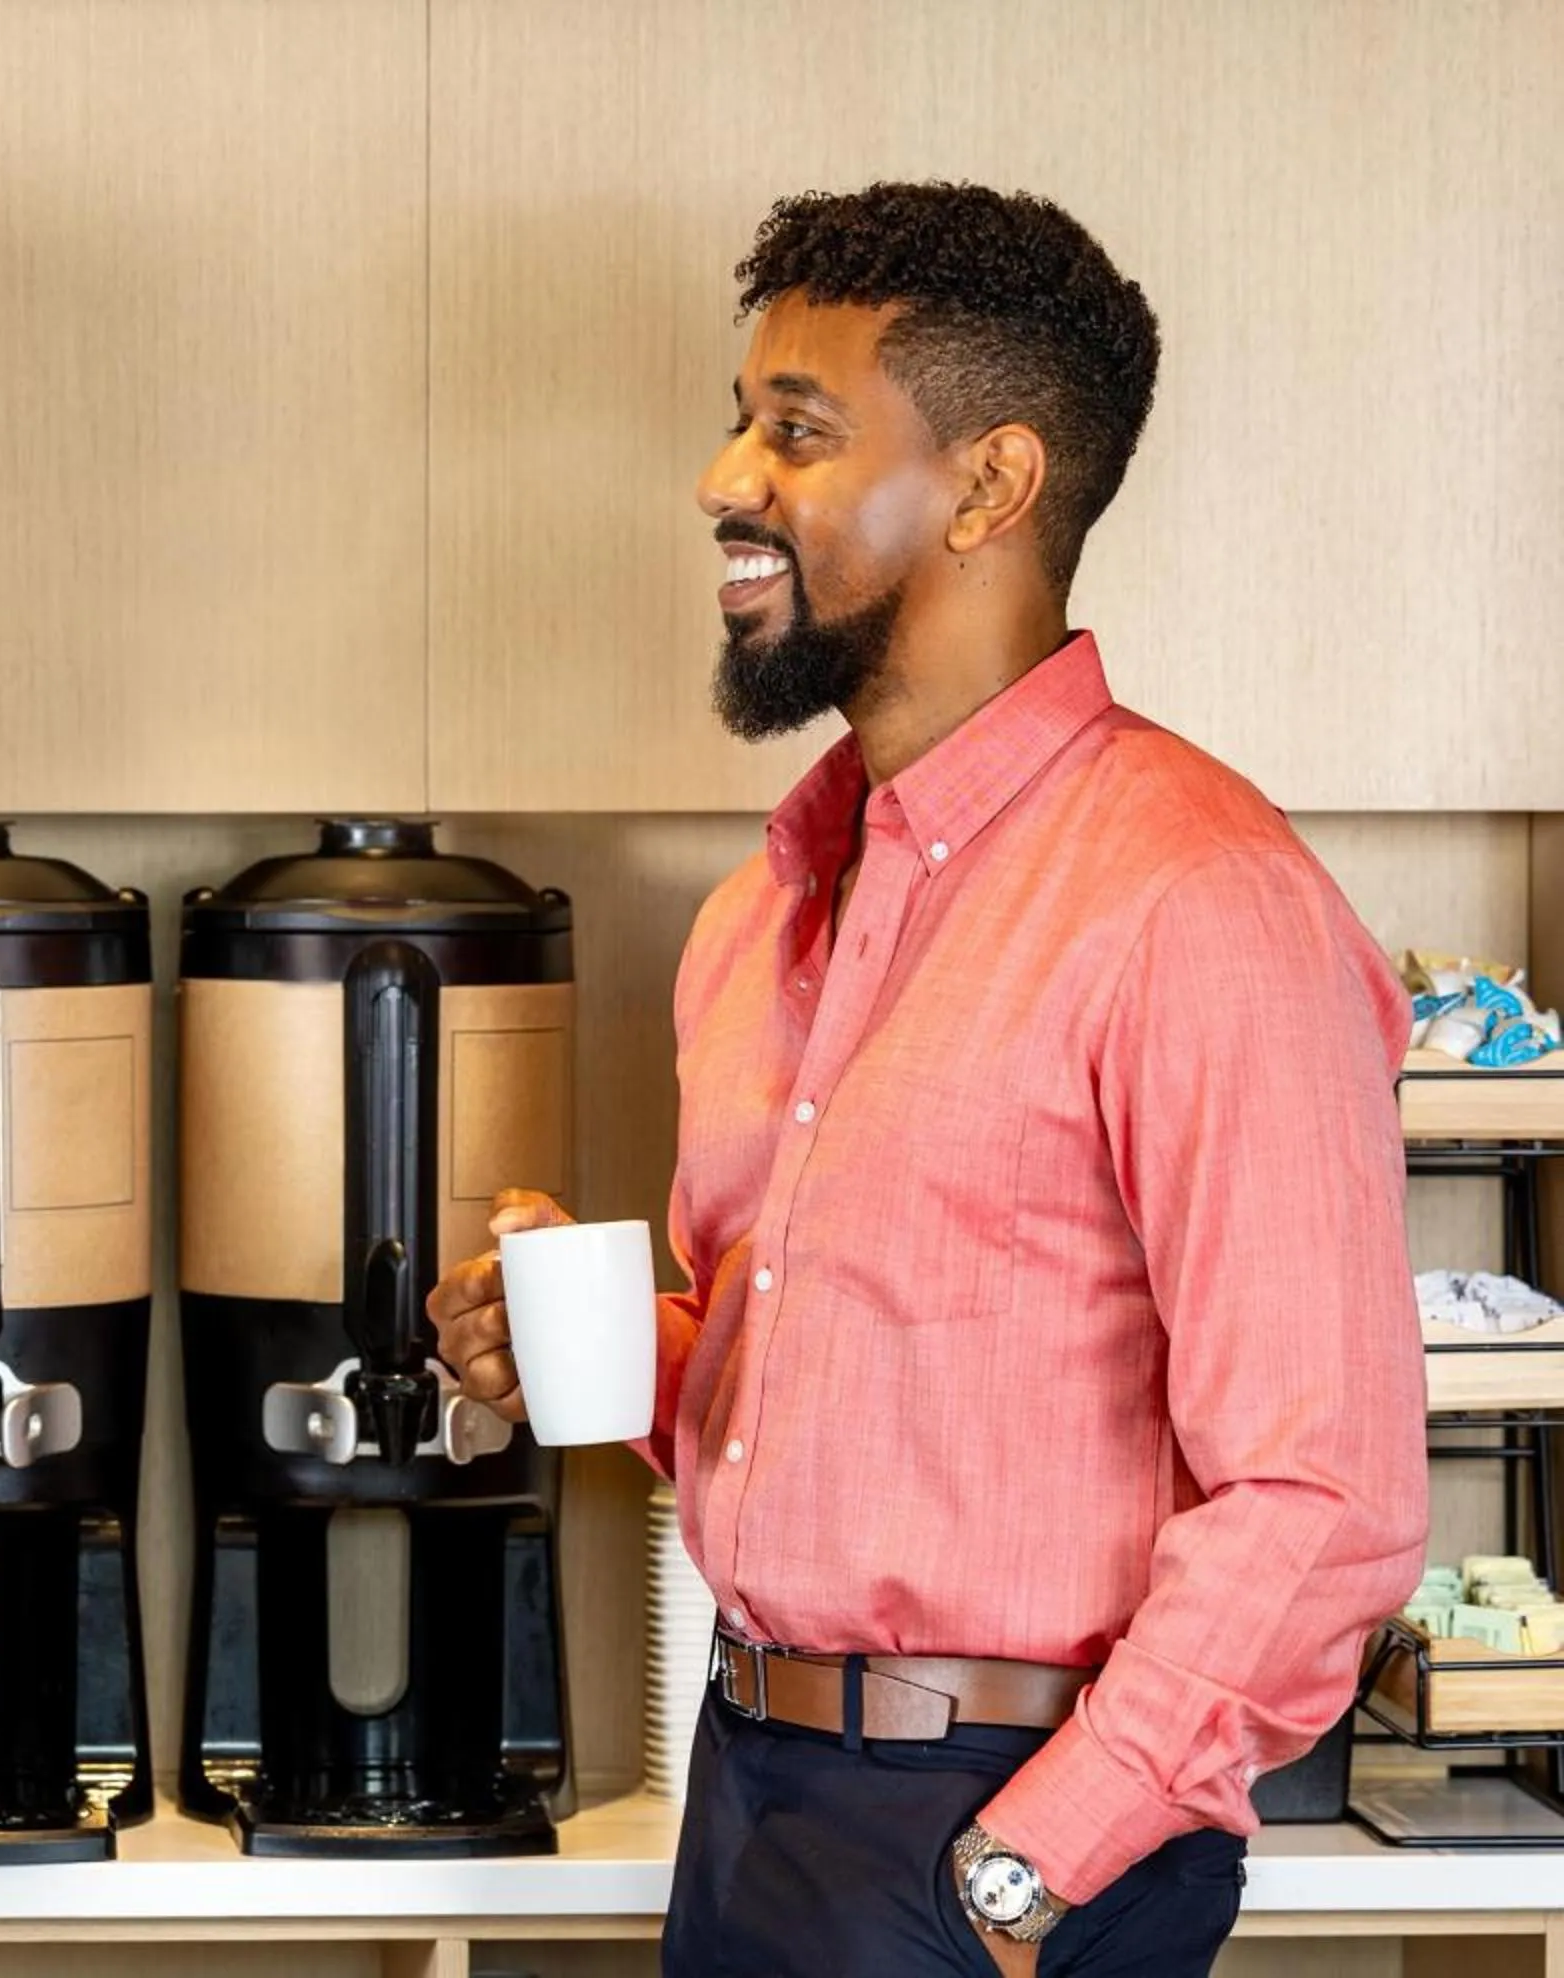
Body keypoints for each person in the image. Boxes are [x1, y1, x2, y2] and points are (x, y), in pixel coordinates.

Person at [430, 182, 1425, 1978]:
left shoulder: (1202, 902)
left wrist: (1030, 1866)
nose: (727, 478)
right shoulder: (765, 911)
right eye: (742, 420)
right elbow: (827, 1368)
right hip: (754, 1795)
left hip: (1001, 1828)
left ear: (990, 487)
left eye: (795, 431)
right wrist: (601, 1344)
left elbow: (1326, 1495)